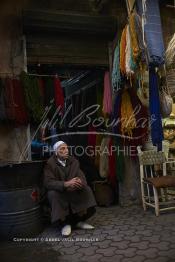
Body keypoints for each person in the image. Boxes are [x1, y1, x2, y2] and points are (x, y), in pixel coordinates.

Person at [44, 141, 97, 236]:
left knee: (87, 189)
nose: (66, 151)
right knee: (53, 194)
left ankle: (79, 221)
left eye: (67, 148)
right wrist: (65, 184)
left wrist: (80, 182)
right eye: (62, 149)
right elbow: (48, 182)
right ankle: (65, 224)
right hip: (60, 190)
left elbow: (82, 177)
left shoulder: (73, 161)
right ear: (56, 152)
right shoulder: (50, 164)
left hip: (72, 189)